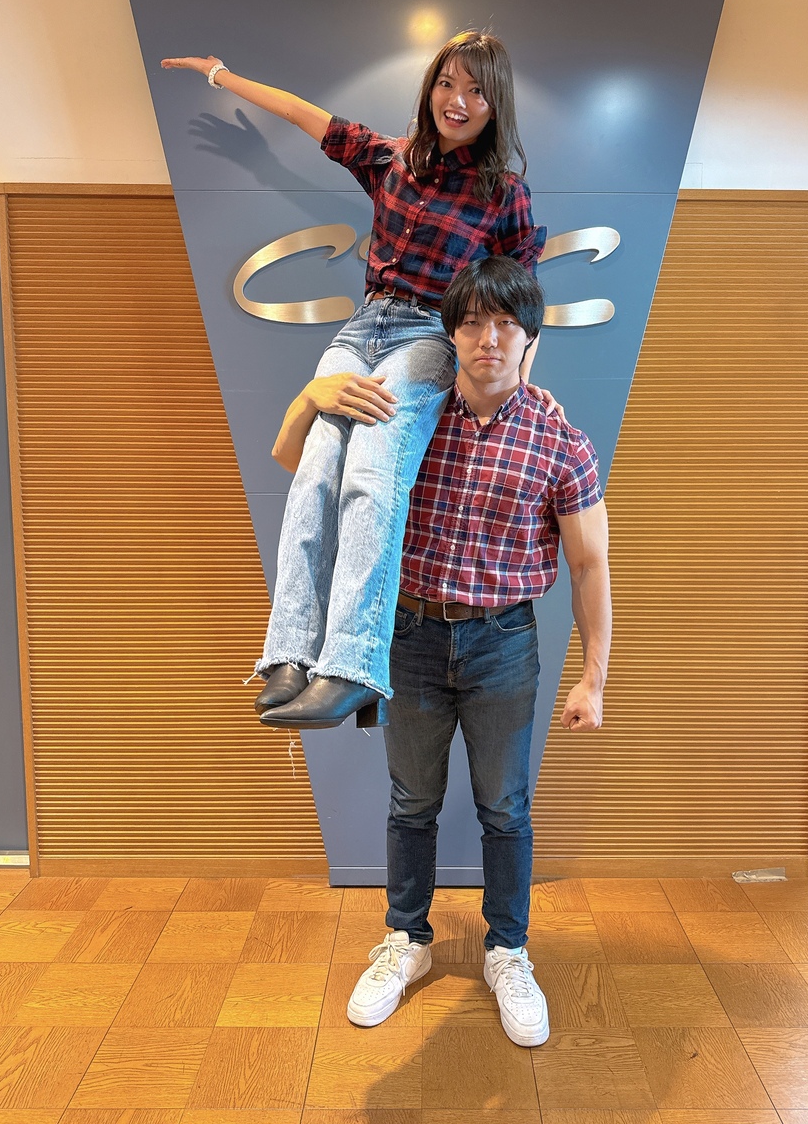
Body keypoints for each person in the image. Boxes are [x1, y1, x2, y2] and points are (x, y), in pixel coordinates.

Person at [267, 256, 611, 1047]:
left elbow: (591, 565)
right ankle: (406, 940)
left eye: (506, 325)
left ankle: (509, 951)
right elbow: (298, 466)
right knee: (410, 802)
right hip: (410, 637)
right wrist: (311, 396)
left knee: (506, 808)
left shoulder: (561, 441)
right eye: (473, 322)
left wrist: (593, 677)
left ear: (530, 338)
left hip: (503, 645)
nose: (489, 339)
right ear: (449, 333)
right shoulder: (405, 413)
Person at [161, 33, 546, 729]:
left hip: (428, 336)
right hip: (361, 328)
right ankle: (290, 652)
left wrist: (515, 390)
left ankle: (352, 665)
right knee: (316, 469)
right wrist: (221, 75)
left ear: (496, 107)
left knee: (371, 474)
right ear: (430, 88)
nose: (458, 101)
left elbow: (523, 300)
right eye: (448, 83)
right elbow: (308, 117)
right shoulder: (391, 159)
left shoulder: (502, 194)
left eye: (476, 91)